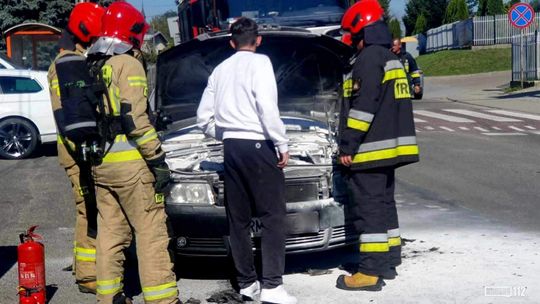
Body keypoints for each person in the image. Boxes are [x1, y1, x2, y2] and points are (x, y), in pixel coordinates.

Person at [196, 17, 297, 304]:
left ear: (231, 42)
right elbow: (266, 106)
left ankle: (247, 283)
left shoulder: (219, 70)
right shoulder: (261, 63)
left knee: (237, 219)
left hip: (232, 148)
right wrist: (282, 143)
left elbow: (203, 117)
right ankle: (273, 286)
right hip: (258, 145)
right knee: (272, 217)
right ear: (259, 39)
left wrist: (227, 134)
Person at [86, 2, 178, 303]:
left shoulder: (95, 63)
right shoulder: (129, 64)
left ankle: (109, 296)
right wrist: (158, 159)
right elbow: (136, 120)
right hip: (132, 167)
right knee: (151, 234)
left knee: (110, 235)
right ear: (133, 32)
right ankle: (163, 300)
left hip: (101, 163)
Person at [337, 0, 419, 291]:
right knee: (385, 206)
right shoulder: (389, 56)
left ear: (363, 30)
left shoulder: (369, 59)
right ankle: (389, 259)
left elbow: (362, 108)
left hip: (370, 151)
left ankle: (370, 272)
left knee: (369, 209)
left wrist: (347, 146)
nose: (353, 42)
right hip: (389, 150)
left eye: (355, 36)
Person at [47, 2, 105, 294]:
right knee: (88, 211)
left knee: (91, 209)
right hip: (75, 152)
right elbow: (64, 116)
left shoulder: (73, 59)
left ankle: (94, 266)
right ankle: (87, 275)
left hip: (79, 150)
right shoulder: (64, 65)